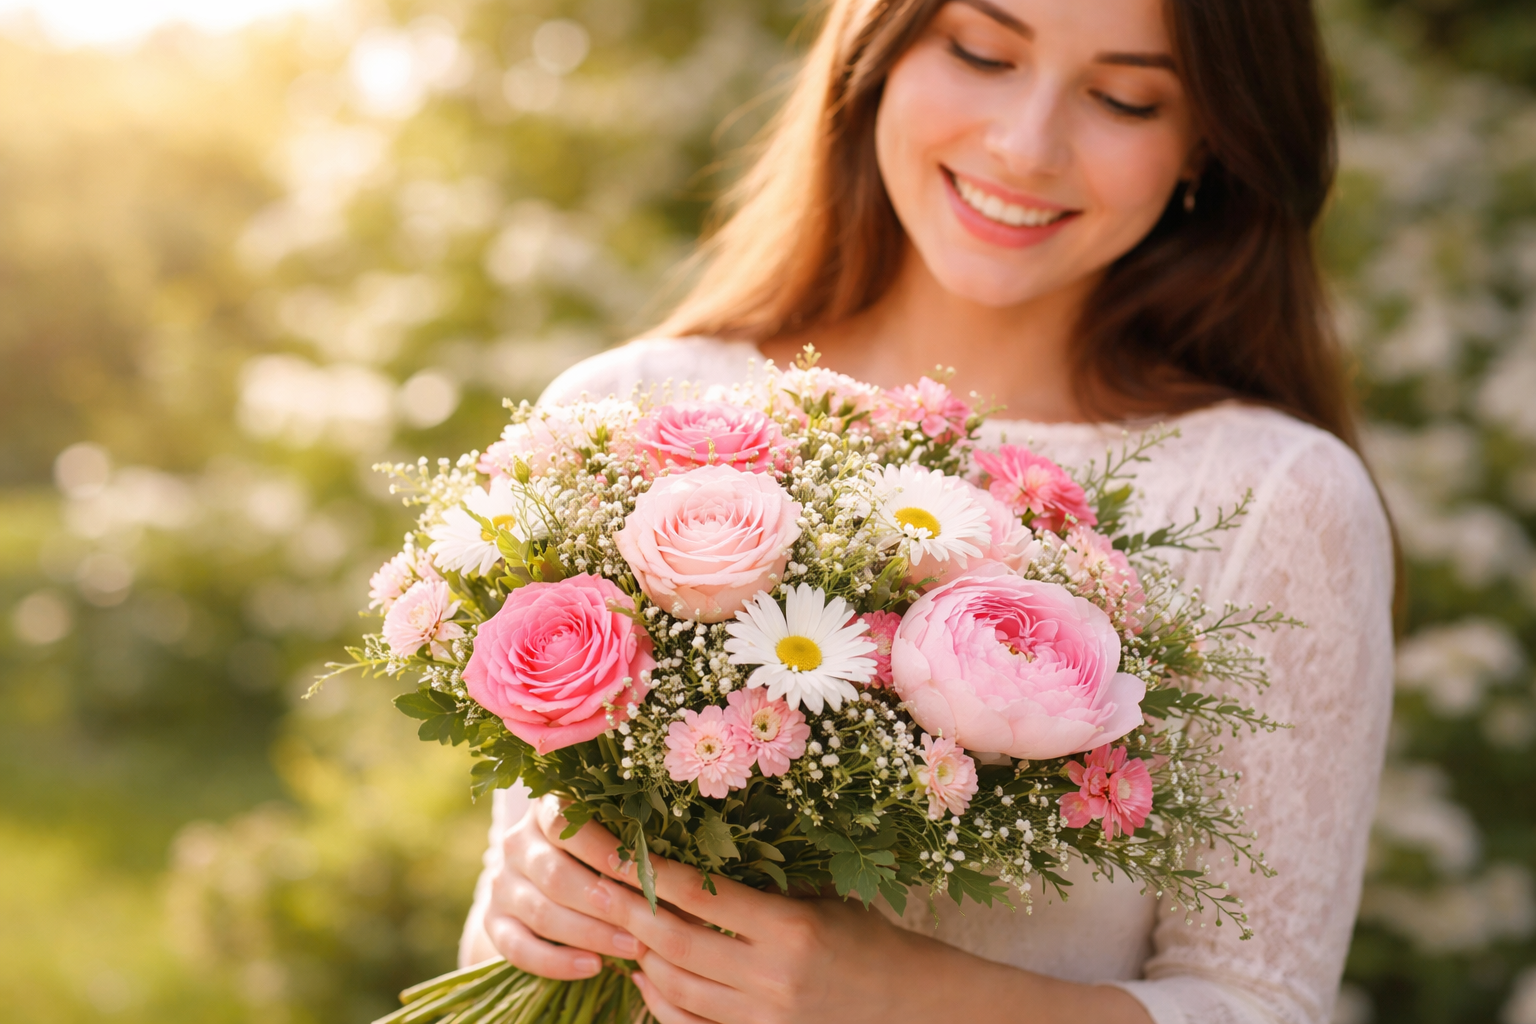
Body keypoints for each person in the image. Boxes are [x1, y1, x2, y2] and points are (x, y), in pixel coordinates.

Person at [458, 1, 1396, 1021]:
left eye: (1125, 98)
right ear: (878, 51)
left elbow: (1265, 1004)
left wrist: (906, 999)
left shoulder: (1273, 497)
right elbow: (516, 945)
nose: (1026, 146)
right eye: (982, 53)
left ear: (1208, 142)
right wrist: (523, 915)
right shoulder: (620, 408)